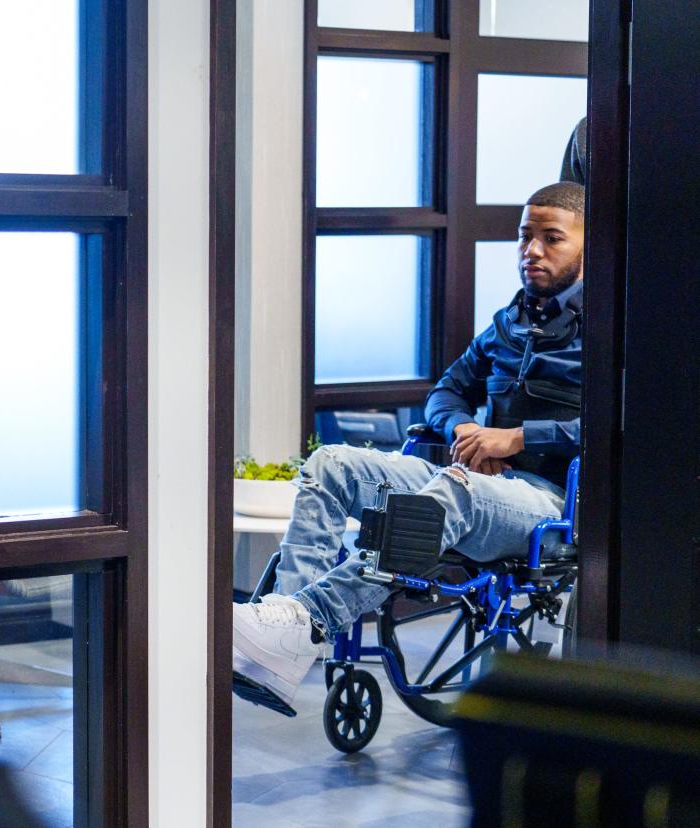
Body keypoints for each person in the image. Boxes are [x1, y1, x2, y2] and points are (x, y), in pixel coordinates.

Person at [233, 181, 586, 712]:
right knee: (331, 464)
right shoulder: (509, 324)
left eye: (551, 239)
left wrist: (517, 437)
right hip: (480, 479)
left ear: (591, 246)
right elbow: (447, 390)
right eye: (524, 236)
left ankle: (308, 622)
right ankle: (282, 638)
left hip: (549, 502)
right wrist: (463, 429)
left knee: (454, 489)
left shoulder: (612, 331)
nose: (531, 251)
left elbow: (620, 428)